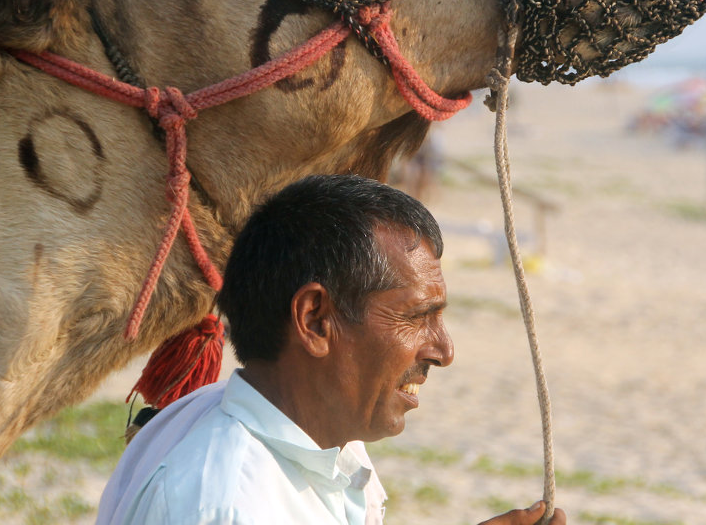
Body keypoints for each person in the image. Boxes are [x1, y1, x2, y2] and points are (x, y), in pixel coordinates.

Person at [96, 174, 565, 525]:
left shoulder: (312, 439)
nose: (443, 351)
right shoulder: (227, 505)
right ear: (315, 320)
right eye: (418, 316)